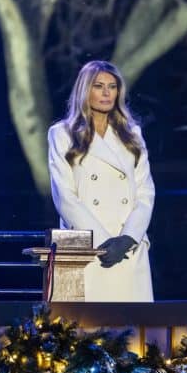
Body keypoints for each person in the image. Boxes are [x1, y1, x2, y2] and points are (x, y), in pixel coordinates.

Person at [47, 60, 155, 301]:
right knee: (81, 323)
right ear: (85, 90)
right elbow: (65, 196)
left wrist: (127, 238)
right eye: (98, 86)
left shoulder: (132, 135)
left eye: (112, 86)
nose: (107, 93)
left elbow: (145, 192)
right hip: (84, 248)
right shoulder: (62, 134)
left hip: (128, 248)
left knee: (132, 322)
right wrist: (102, 241)